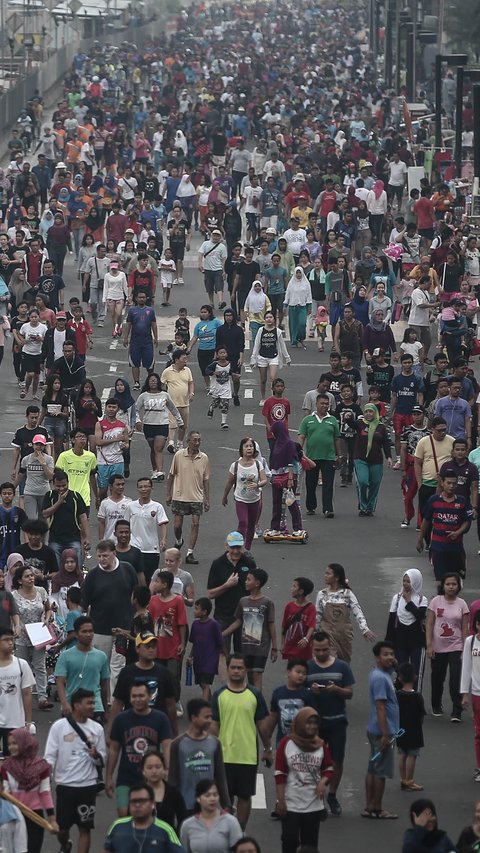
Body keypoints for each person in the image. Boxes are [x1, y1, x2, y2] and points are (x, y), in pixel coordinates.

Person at [211, 654, 271, 830]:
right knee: (225, 797)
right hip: (224, 756)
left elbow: (262, 725)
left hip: (247, 755)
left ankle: (240, 831)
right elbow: (214, 725)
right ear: (228, 669)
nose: (236, 671)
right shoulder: (219, 695)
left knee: (245, 796)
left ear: (246, 671)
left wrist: (268, 748)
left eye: (240, 668)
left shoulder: (255, 695)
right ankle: (228, 828)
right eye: (233, 667)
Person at [45, 687, 106, 853]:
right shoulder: (59, 727)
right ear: (77, 705)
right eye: (89, 703)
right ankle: (65, 844)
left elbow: (103, 759)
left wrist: (96, 755)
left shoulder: (98, 729)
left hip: (87, 786)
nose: (93, 706)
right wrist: (45, 776)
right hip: (65, 785)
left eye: (94, 702)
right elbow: (50, 755)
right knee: (62, 829)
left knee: (85, 828)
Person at [106, 682, 173, 817]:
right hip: (126, 776)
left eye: (141, 696)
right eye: (134, 696)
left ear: (150, 697)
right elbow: (114, 749)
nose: (138, 699)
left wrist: (168, 769)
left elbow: (167, 745)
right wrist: (108, 777)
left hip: (152, 777)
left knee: (151, 813)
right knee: (124, 814)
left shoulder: (160, 718)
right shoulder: (121, 719)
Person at [275, 707, 334, 852]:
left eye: (315, 723)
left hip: (313, 805)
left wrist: (322, 782)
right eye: (308, 723)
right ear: (300, 723)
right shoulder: (287, 743)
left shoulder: (321, 745)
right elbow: (280, 774)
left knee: (310, 846)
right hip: (291, 804)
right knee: (289, 841)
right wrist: (281, 801)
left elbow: (329, 769)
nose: (312, 726)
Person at [81, 539, 138, 688]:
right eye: (99, 556)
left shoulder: (128, 570)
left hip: (123, 630)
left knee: (118, 668)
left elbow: (135, 595)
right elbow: (84, 603)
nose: (102, 559)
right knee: (101, 667)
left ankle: (114, 703)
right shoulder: (93, 575)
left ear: (114, 553)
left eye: (105, 555)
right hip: (100, 630)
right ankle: (102, 701)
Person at [1, 728, 58, 853]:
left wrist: (52, 819)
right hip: (13, 817)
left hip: (34, 817)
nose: (11, 747)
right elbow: (5, 792)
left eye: (15, 743)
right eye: (9, 744)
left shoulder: (41, 767)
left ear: (24, 743)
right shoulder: (6, 767)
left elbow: (45, 793)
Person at [168, 698, 231, 813]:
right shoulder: (178, 744)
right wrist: (171, 807)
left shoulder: (215, 743)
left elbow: (220, 777)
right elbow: (173, 779)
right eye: (206, 717)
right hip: (185, 807)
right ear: (193, 718)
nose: (210, 721)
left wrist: (226, 805)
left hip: (209, 807)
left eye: (211, 717)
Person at [363, 640, 399, 820]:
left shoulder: (381, 674)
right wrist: (386, 734)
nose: (390, 657)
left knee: (373, 767)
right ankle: (377, 808)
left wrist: (395, 665)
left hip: (375, 729)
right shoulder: (380, 678)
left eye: (392, 654)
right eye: (386, 655)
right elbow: (380, 707)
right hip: (382, 732)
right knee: (381, 771)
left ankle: (369, 806)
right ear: (377, 657)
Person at [222, 568, 277, 691]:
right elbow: (238, 621)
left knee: (257, 674)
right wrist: (222, 634)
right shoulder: (243, 601)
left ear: (257, 583)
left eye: (248, 579)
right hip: (245, 646)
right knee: (249, 676)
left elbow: (271, 624)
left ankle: (258, 705)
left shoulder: (267, 602)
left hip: (261, 647)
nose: (245, 582)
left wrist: (274, 647)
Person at [426, 572, 469, 721]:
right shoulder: (435, 602)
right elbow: (430, 624)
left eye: (454, 584)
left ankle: (456, 710)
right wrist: (429, 645)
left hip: (456, 646)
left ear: (458, 586)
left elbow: (464, 628)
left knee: (455, 678)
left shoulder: (462, 604)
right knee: (438, 677)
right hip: (438, 646)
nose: (451, 587)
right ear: (443, 586)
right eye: (448, 584)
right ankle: (436, 704)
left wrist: (465, 648)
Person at [207, 533, 257, 658]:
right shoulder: (218, 564)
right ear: (226, 546)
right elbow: (211, 594)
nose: (236, 551)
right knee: (222, 654)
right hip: (224, 615)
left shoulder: (249, 563)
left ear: (243, 547)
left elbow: (256, 591)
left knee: (247, 655)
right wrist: (227, 585)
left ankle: (242, 677)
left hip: (247, 616)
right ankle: (226, 678)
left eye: (239, 547)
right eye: (232, 547)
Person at [416, 470, 473, 580]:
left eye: (454, 483)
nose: (451, 486)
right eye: (448, 483)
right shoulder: (434, 500)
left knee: (455, 580)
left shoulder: (462, 502)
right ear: (442, 483)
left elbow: (467, 521)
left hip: (456, 549)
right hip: (438, 548)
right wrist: (420, 539)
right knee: (440, 580)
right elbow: (426, 520)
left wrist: (458, 532)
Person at [165, 430, 210, 566]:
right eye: (194, 440)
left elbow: (206, 480)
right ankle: (179, 540)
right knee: (177, 525)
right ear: (188, 442)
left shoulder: (204, 458)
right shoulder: (179, 455)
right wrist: (168, 494)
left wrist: (207, 499)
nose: (197, 443)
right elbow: (171, 475)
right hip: (180, 495)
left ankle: (190, 552)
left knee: (195, 523)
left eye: (199, 440)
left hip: (196, 496)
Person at [12, 564, 53, 711]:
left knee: (40, 666)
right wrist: (18, 626)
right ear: (19, 580)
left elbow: (48, 609)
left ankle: (42, 697)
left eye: (32, 575)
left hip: (38, 634)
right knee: (22, 667)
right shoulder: (14, 595)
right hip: (22, 636)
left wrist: (47, 619)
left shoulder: (41, 591)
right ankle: (23, 697)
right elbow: (12, 614)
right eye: (27, 576)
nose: (31, 578)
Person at [315, 563, 376, 662]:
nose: (325, 576)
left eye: (328, 574)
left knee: (344, 663)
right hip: (327, 633)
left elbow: (357, 611)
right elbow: (317, 615)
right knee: (331, 661)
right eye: (325, 573)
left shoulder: (347, 594)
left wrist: (365, 629)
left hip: (344, 635)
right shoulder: (322, 594)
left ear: (337, 577)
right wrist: (315, 634)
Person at [54, 615, 110, 721]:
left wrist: (105, 709)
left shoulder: (101, 656)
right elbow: (60, 682)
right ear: (76, 634)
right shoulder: (65, 656)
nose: (88, 634)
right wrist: (65, 704)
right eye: (84, 631)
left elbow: (104, 685)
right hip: (72, 707)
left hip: (95, 707)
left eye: (91, 631)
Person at [148, 570, 188, 711]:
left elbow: (181, 623)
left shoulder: (177, 601)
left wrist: (182, 643)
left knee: (173, 676)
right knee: (156, 675)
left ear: (165, 585)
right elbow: (149, 622)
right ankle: (156, 702)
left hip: (172, 646)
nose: (155, 584)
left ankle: (175, 702)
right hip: (157, 647)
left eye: (157, 582)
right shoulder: (153, 601)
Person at [102, 783, 183, 853]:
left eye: (142, 801)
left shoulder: (165, 830)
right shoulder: (118, 826)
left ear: (153, 804)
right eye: (134, 801)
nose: (137, 805)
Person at [298, 393, 341, 518]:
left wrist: (339, 455)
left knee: (328, 484)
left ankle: (328, 509)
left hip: (328, 457)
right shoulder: (307, 420)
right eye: (322, 403)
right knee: (310, 483)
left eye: (327, 404)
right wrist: (298, 453)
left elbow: (337, 438)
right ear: (316, 404)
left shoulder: (332, 420)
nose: (324, 406)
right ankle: (311, 507)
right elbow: (301, 436)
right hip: (311, 457)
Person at [136, 372, 183, 482]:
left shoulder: (165, 395)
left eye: (155, 380)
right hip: (149, 425)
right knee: (153, 449)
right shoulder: (143, 396)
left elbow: (173, 409)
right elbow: (136, 410)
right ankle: (155, 470)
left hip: (162, 424)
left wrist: (180, 422)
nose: (153, 382)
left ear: (158, 382)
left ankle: (160, 471)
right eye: (151, 380)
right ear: (148, 382)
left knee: (158, 448)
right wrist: (138, 421)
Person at [222, 437, 268, 551]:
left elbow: (264, 479)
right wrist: (225, 496)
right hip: (240, 499)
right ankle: (238, 547)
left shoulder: (258, 464)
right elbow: (229, 482)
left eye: (251, 446)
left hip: (255, 500)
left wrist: (258, 485)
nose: (249, 448)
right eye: (246, 446)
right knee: (243, 522)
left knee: (251, 525)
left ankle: (247, 549)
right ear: (241, 449)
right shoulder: (235, 465)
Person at [386, 570, 428, 691]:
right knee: (400, 673)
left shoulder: (421, 599)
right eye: (404, 581)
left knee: (416, 674)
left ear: (416, 582)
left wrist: (409, 601)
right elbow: (391, 620)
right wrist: (388, 643)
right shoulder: (397, 598)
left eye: (408, 581)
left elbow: (420, 616)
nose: (405, 584)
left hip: (417, 642)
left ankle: (416, 700)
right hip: (400, 642)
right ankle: (400, 701)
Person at [124, 477, 169, 582]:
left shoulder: (157, 507)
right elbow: (125, 525)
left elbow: (162, 524)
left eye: (146, 486)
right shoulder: (130, 506)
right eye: (140, 487)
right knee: (133, 578)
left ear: (151, 488)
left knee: (150, 579)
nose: (143, 489)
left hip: (151, 549)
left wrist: (163, 539)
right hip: (133, 547)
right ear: (137, 489)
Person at [180, 778, 243, 853]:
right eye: (207, 795)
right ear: (198, 799)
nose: (212, 799)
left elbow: (240, 849)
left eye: (215, 795)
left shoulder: (231, 822)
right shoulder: (187, 825)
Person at [0, 626, 35, 756]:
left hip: (15, 722)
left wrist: (28, 722)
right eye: (5, 640)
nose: (10, 643)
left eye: (11, 639)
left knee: (12, 762)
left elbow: (27, 694)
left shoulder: (21, 665)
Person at [354, 402, 393, 516]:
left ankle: (370, 508)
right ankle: (363, 506)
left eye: (371, 411)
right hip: (360, 459)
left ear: (375, 413)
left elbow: (385, 443)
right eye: (366, 412)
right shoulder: (359, 424)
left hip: (376, 460)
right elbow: (351, 424)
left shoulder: (380, 427)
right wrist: (348, 418)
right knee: (363, 482)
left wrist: (389, 457)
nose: (368, 414)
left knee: (375, 484)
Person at [268, 421, 303, 537]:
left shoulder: (289, 444)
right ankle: (275, 527)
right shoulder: (276, 444)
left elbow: (292, 462)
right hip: (277, 476)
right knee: (276, 503)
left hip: (288, 477)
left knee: (291, 502)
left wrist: (290, 479)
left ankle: (298, 528)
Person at [395, 662, 426, 792]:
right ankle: (409, 780)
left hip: (400, 729)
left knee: (402, 753)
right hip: (414, 729)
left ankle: (402, 779)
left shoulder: (397, 695)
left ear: (400, 678)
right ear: (414, 677)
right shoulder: (417, 696)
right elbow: (421, 714)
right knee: (412, 755)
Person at [187, 598, 225, 701]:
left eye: (197, 609)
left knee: (205, 683)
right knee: (201, 683)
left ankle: (204, 707)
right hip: (199, 660)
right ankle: (211, 700)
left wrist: (224, 657)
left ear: (204, 612)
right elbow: (194, 642)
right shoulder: (195, 625)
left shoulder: (214, 625)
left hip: (210, 660)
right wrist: (190, 656)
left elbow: (220, 642)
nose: (194, 611)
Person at [250, 310, 290, 405]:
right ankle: (263, 398)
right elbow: (256, 344)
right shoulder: (261, 331)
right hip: (262, 357)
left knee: (273, 378)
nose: (269, 319)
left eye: (271, 317)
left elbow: (282, 345)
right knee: (263, 379)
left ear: (274, 319)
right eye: (267, 317)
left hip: (274, 357)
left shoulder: (278, 331)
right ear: (264, 320)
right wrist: (253, 358)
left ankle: (273, 397)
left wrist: (287, 357)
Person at [56, 428, 98, 516]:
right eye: (79, 436)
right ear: (72, 440)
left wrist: (97, 497)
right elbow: (57, 477)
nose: (82, 439)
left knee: (83, 524)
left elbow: (92, 477)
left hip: (84, 497)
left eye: (84, 437)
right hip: (67, 497)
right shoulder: (64, 456)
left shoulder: (91, 456)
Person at [141, 751, 186, 830]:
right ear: (143, 771)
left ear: (164, 769)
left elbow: (183, 819)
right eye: (149, 767)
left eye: (158, 767)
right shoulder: (137, 793)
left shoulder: (174, 793)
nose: (154, 771)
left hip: (168, 838)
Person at [123, 290, 158, 390]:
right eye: (140, 297)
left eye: (143, 297)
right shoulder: (132, 311)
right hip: (135, 341)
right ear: (136, 298)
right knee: (135, 362)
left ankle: (150, 381)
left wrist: (156, 337)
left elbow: (154, 324)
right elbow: (129, 324)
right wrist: (126, 338)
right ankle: (137, 382)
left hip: (147, 341)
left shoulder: (150, 310)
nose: (141, 299)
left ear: (146, 298)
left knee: (150, 363)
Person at [15, 433, 54, 519]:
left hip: (44, 492)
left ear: (44, 446)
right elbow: (21, 475)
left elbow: (50, 477)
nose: (39, 447)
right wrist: (13, 487)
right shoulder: (26, 459)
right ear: (32, 445)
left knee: (43, 521)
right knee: (31, 519)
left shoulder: (49, 459)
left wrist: (43, 464)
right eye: (37, 444)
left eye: (41, 445)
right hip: (30, 492)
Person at [161, 350, 194, 452]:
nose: (185, 361)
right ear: (176, 360)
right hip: (172, 403)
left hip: (184, 403)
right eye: (183, 359)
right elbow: (162, 385)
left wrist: (191, 393)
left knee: (183, 425)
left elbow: (190, 383)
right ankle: (171, 442)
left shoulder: (187, 370)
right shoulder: (167, 371)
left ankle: (179, 442)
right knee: (172, 424)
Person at [435, 377, 472, 443]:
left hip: (460, 436)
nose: (457, 390)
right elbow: (437, 418)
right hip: (444, 435)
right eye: (455, 388)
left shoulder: (465, 403)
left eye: (459, 388)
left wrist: (469, 438)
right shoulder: (440, 402)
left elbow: (467, 421)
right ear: (449, 388)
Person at [197, 229, 228, 310]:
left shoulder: (222, 247)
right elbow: (200, 254)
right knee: (209, 287)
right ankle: (211, 302)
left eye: (217, 236)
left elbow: (224, 259)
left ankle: (221, 301)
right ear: (211, 236)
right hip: (208, 269)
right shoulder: (206, 244)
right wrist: (200, 264)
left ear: (220, 237)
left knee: (219, 286)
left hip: (218, 269)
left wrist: (224, 271)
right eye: (214, 235)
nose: (215, 237)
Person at [283, 266, 312, 349]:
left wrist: (309, 306)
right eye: (297, 273)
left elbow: (309, 295)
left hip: (302, 307)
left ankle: (301, 338)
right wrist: (285, 305)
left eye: (300, 273)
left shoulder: (306, 283)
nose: (298, 274)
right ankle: (294, 340)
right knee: (293, 325)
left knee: (302, 324)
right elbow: (287, 294)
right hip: (293, 307)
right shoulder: (291, 283)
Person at [261, 378, 290, 453]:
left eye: (281, 386)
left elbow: (286, 416)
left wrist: (286, 429)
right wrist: (269, 427)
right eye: (277, 386)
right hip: (272, 433)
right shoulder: (269, 401)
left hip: (283, 432)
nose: (280, 388)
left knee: (283, 451)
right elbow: (265, 416)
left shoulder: (286, 402)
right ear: (273, 388)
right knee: (273, 451)